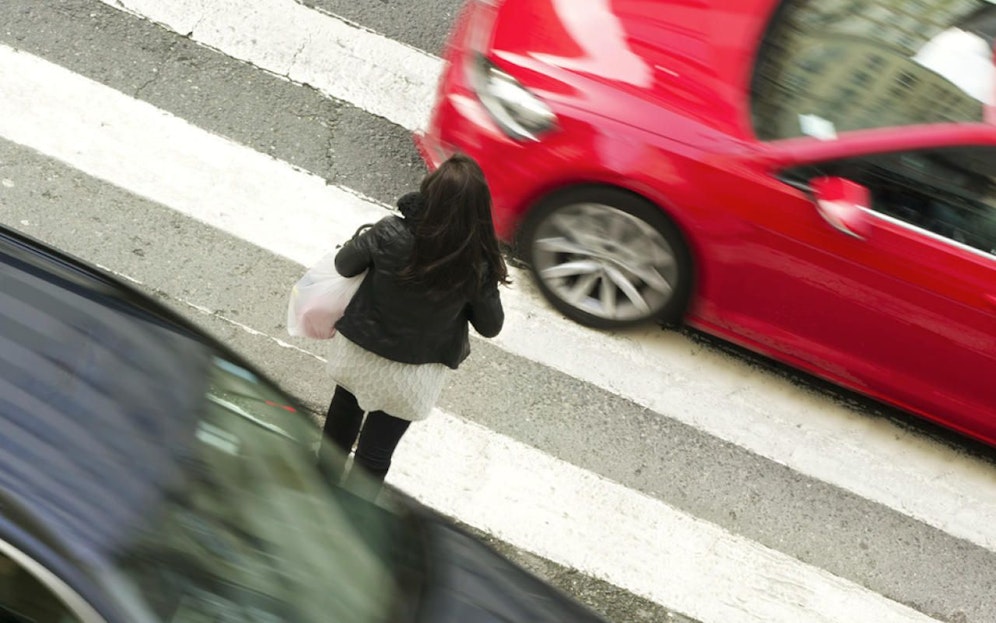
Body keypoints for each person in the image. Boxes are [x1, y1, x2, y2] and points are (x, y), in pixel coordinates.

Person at [320, 153, 509, 499]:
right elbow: (490, 326)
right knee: (375, 456)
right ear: (480, 209)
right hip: (412, 376)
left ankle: (315, 496)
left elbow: (344, 265)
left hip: (359, 352)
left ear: (429, 192)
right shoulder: (476, 263)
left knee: (337, 431)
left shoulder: (389, 232)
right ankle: (349, 522)